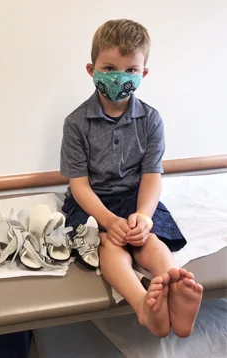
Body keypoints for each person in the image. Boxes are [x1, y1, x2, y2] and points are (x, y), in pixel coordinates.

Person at [60, 19, 203, 338]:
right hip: (93, 204)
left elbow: (152, 176)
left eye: (130, 70)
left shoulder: (151, 120)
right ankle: (142, 305)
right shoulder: (76, 123)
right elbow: (79, 185)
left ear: (143, 74)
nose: (119, 77)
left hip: (136, 199)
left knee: (148, 240)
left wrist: (143, 216)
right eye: (109, 67)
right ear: (91, 69)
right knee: (109, 245)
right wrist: (110, 221)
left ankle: (173, 285)